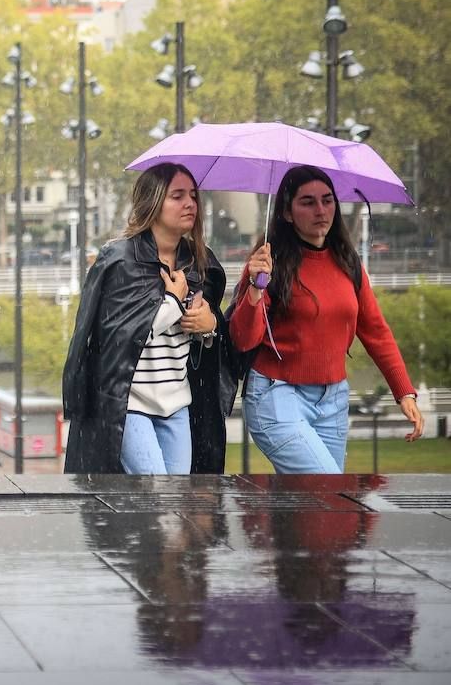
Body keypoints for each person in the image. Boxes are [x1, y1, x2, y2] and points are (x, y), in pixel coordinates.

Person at [229, 165, 424, 473]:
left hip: (333, 399)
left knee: (319, 512)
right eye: (307, 202)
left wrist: (404, 392)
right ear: (288, 212)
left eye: (328, 199)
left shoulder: (348, 261)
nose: (321, 210)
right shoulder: (267, 262)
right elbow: (242, 338)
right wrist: (255, 287)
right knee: (328, 489)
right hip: (277, 396)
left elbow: (376, 331)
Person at [63, 162, 232, 474]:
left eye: (193, 196)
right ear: (152, 203)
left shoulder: (200, 262)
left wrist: (209, 327)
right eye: (177, 196)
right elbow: (119, 338)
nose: (189, 204)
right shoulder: (121, 260)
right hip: (129, 404)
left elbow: (209, 338)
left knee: (173, 505)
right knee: (157, 499)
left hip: (177, 403)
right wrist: (171, 301)